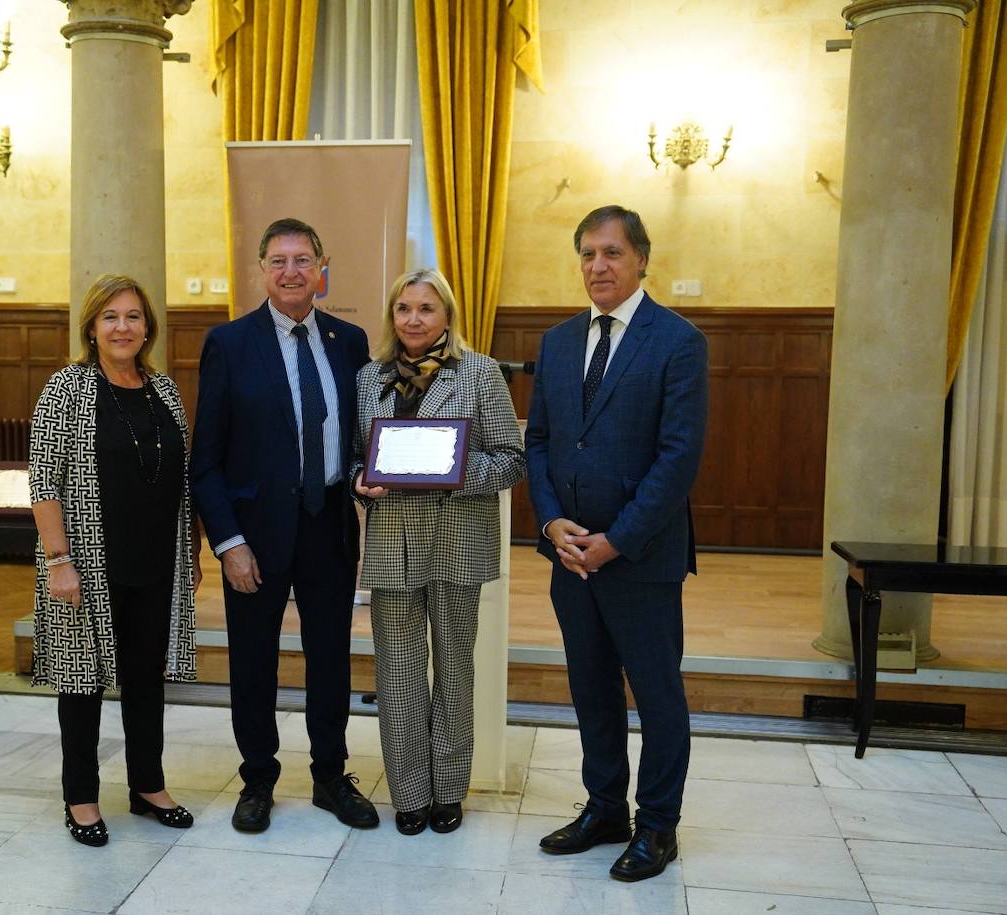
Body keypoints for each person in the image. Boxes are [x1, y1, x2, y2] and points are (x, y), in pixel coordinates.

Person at [525, 205, 708, 881]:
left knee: (657, 695)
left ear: (640, 260)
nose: (597, 266)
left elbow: (678, 457)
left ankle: (658, 825)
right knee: (591, 689)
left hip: (639, 557)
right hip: (569, 557)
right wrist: (551, 525)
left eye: (610, 253)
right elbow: (539, 440)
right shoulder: (558, 340)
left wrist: (617, 539)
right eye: (586, 254)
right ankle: (606, 807)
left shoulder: (677, 341)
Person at [190, 217, 377, 833]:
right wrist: (229, 542)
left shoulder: (350, 343)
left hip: (329, 524)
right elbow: (206, 461)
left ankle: (330, 776)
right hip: (255, 536)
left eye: (303, 260)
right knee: (253, 661)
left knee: (330, 656)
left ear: (322, 268)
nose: (292, 272)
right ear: (261, 271)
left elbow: (356, 437)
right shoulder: (230, 343)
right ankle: (258, 780)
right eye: (278, 261)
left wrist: (360, 474)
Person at [29, 273, 201, 847]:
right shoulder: (65, 390)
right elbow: (44, 484)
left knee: (146, 679)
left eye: (133, 317)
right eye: (111, 317)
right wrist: (58, 559)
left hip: (157, 560)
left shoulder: (164, 391)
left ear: (147, 326)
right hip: (85, 563)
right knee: (81, 683)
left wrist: (191, 550)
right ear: (92, 327)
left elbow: (183, 477)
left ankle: (147, 785)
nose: (123, 327)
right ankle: (80, 797)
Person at [352, 268, 525, 835]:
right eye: (404, 309)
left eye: (426, 308)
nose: (414, 320)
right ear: (392, 316)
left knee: (454, 667)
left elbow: (511, 460)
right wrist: (361, 479)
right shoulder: (368, 379)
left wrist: (453, 470)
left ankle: (449, 789)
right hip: (393, 543)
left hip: (457, 539)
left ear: (448, 315)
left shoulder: (480, 374)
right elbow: (357, 458)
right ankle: (408, 792)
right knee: (397, 673)